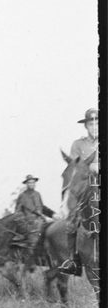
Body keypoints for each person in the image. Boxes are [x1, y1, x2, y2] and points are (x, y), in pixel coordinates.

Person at [60, 108, 99, 274]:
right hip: (87, 187)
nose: (95, 126)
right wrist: (91, 167)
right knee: (72, 221)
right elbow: (74, 166)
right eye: (91, 123)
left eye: (97, 122)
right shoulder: (78, 144)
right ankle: (73, 261)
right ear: (86, 126)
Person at [14, 174, 49, 264]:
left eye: (33, 182)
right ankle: (30, 262)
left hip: (40, 222)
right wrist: (24, 222)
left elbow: (42, 207)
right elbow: (17, 212)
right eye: (29, 183)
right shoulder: (22, 196)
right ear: (26, 184)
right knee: (32, 242)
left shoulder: (37, 194)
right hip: (29, 224)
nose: (31, 184)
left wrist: (52, 214)